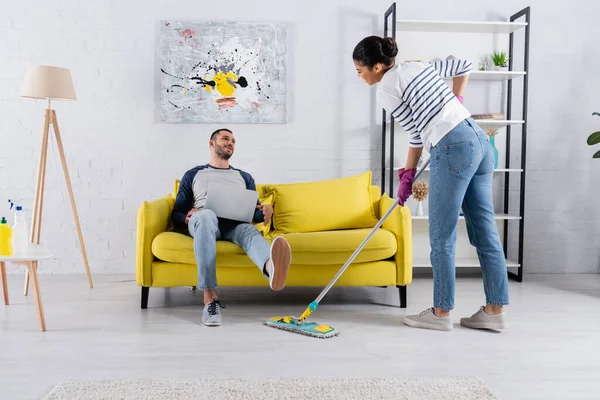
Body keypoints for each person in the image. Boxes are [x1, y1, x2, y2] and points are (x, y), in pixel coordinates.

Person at [352, 36, 509, 332]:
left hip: (452, 147)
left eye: (360, 71)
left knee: (441, 235)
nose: (360, 77)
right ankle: (494, 310)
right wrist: (457, 100)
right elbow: (464, 65)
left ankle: (439, 313)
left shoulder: (386, 89)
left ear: (376, 67)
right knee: (485, 231)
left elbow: (414, 136)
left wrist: (407, 175)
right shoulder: (418, 66)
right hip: (478, 138)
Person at [171, 128, 292, 327]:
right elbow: (176, 213)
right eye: (226, 139)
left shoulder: (244, 177)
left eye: (233, 141)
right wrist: (186, 218)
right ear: (211, 143)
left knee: (248, 230)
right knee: (207, 215)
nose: (231, 143)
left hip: (234, 225)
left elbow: (253, 214)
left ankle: (272, 268)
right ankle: (210, 298)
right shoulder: (194, 174)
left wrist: (266, 211)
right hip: (204, 223)